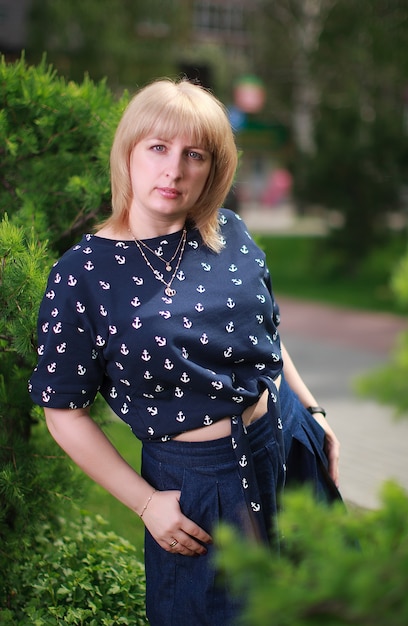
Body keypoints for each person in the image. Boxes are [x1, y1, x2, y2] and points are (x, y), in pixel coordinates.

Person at [29, 78, 341, 625]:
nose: (173, 170)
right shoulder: (81, 274)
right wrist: (147, 503)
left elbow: (263, 334)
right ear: (127, 152)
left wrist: (312, 409)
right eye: (157, 148)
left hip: (285, 438)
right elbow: (63, 410)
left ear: (213, 169)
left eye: (193, 154)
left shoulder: (228, 231)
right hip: (199, 483)